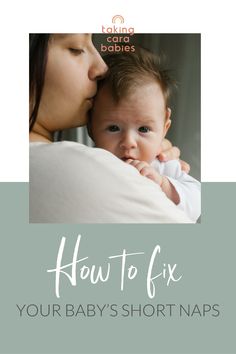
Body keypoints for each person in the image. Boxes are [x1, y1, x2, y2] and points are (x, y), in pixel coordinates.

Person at [29, 33, 192, 223]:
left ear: (165, 126)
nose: (102, 68)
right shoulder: (82, 172)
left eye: (144, 129)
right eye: (76, 49)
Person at [88, 50, 200, 222]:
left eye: (144, 129)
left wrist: (164, 185)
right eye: (113, 128)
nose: (128, 142)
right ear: (91, 127)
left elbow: (198, 200)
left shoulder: (164, 166)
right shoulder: (89, 165)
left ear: (164, 128)